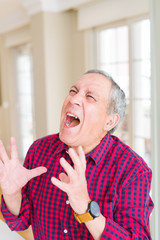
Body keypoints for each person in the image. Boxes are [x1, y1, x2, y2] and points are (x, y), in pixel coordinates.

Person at [0, 69, 154, 239]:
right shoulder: (39, 150)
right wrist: (12, 195)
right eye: (73, 91)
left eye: (90, 97)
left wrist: (85, 207)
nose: (74, 98)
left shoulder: (133, 170)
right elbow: (21, 221)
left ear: (110, 121)